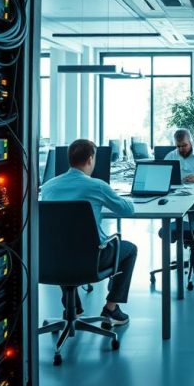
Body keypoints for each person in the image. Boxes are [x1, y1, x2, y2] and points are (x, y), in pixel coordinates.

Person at [40, 139, 136, 325]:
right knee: (129, 249)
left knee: (62, 243)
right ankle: (111, 309)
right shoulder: (97, 186)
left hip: (52, 261)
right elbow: (127, 210)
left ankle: (72, 308)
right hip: (91, 261)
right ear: (91, 159)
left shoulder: (48, 187)